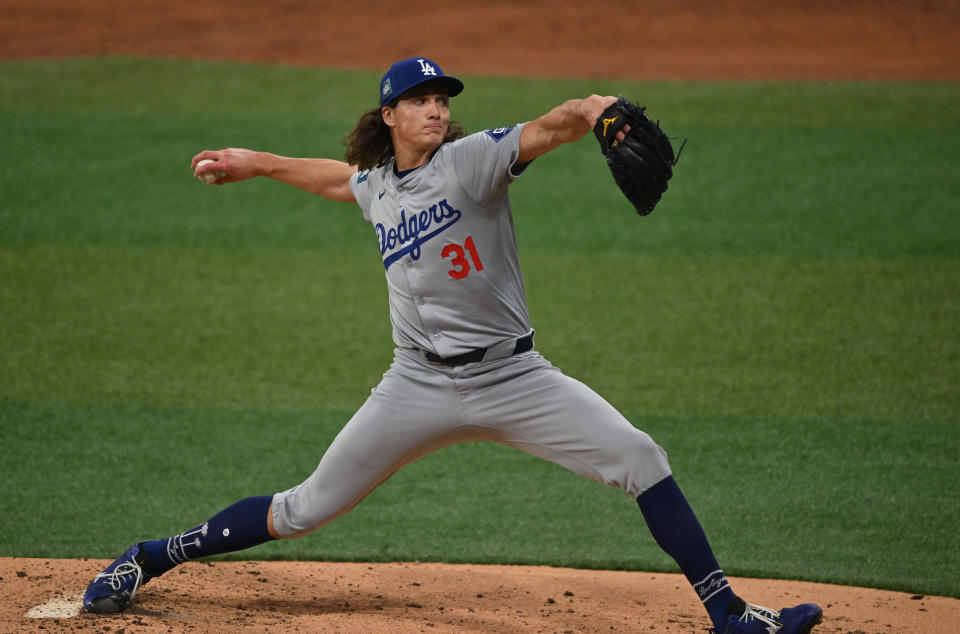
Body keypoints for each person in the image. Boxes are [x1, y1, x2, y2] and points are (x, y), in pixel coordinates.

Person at [82, 56, 822, 634]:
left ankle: (729, 613)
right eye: (421, 99)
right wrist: (261, 163)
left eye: (443, 98)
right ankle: (152, 557)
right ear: (391, 114)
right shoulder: (382, 188)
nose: (438, 107)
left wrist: (598, 110)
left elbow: (554, 125)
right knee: (303, 509)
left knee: (642, 458)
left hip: (516, 379)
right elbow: (342, 181)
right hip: (416, 386)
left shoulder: (473, 162)